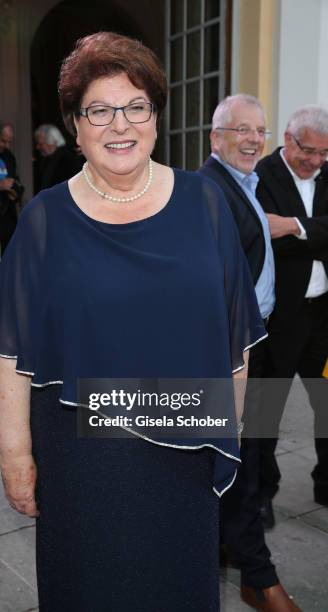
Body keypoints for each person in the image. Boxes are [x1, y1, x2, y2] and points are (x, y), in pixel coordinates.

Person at [0, 33, 265, 611]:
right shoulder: (43, 222)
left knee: (177, 586)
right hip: (81, 458)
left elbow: (237, 340)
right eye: (100, 110)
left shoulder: (205, 205)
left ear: (155, 117)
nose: (120, 125)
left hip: (183, 449)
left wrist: (225, 430)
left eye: (136, 106)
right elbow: (11, 352)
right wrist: (15, 457)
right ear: (76, 126)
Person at [199, 94, 300, 612]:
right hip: (230, 350)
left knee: (253, 454)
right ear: (216, 137)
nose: (253, 139)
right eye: (241, 129)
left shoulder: (247, 184)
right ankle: (258, 575)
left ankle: (227, 555)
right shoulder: (209, 190)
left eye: (259, 130)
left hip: (256, 340)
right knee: (238, 461)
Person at [256, 105, 328, 520]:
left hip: (325, 319)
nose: (316, 161)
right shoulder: (262, 176)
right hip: (281, 319)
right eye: (310, 151)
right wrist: (317, 232)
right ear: (288, 139)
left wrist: (295, 227)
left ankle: (327, 483)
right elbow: (264, 239)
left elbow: (285, 235)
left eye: (324, 153)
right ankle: (262, 494)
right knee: (267, 411)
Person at [0, 120, 24, 257]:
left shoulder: (9, 156)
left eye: (9, 142)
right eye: (3, 141)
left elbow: (16, 180)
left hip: (8, 215)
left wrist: (15, 192)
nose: (6, 145)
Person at [33, 124, 82, 193]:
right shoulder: (48, 159)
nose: (37, 147)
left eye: (41, 144)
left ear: (52, 142)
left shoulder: (68, 159)